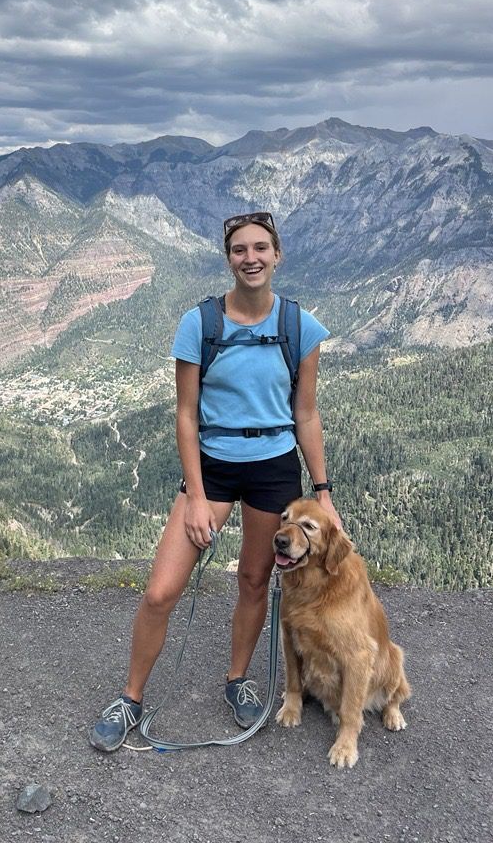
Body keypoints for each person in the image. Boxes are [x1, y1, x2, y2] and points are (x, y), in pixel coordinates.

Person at [90, 211, 341, 752]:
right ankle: (130, 698)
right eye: (239, 250)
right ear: (228, 258)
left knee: (254, 581)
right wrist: (198, 496)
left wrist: (323, 494)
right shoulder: (199, 324)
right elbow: (185, 414)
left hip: (275, 466)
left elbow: (307, 415)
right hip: (215, 466)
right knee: (161, 591)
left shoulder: (301, 327)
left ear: (277, 255)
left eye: (260, 248)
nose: (250, 258)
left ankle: (238, 680)